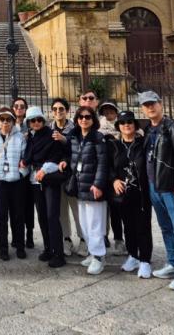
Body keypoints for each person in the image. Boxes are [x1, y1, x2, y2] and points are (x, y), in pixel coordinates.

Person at [139, 90, 174, 291]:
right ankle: (173, 263)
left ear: (160, 104)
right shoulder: (149, 130)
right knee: (165, 227)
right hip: (154, 186)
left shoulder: (173, 129)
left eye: (153, 103)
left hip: (171, 187)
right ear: (142, 109)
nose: (150, 107)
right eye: (146, 105)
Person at [21, 105, 69, 268]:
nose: (36, 122)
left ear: (43, 120)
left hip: (49, 178)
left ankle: (58, 253)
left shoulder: (51, 135)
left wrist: (44, 169)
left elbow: (57, 155)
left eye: (38, 119)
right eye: (32, 120)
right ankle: (48, 248)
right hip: (35, 180)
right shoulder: (31, 137)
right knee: (42, 216)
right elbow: (28, 158)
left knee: (52, 216)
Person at [111, 110, 153, 279]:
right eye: (122, 122)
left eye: (129, 122)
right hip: (123, 194)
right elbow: (109, 167)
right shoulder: (115, 145)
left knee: (143, 227)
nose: (126, 125)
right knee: (128, 227)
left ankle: (145, 260)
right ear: (118, 126)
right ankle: (133, 256)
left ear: (135, 125)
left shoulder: (143, 143)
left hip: (141, 193)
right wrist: (114, 180)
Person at [68, 106, 109, 275]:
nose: (84, 120)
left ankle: (99, 257)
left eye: (88, 117)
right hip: (80, 186)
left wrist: (98, 184)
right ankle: (93, 252)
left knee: (95, 224)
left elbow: (103, 163)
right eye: (81, 117)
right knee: (84, 224)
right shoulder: (75, 137)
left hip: (93, 187)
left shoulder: (98, 138)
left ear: (93, 120)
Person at [0, 107, 28, 261]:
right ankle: (3, 248)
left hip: (16, 181)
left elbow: (25, 159)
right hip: (0, 181)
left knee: (18, 215)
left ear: (13, 121)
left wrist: (21, 173)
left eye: (8, 119)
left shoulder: (20, 137)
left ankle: (20, 246)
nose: (5, 122)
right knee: (1, 216)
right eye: (2, 119)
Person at [50, 97, 83, 256]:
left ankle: (83, 239)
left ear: (67, 111)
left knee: (77, 209)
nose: (58, 112)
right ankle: (66, 239)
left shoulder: (76, 129)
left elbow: (79, 150)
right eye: (55, 109)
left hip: (72, 175)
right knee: (62, 209)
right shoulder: (49, 129)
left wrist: (65, 140)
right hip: (56, 176)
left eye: (61, 109)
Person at [98, 100, 126, 256]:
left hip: (121, 174)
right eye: (106, 111)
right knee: (104, 210)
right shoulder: (99, 129)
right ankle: (105, 237)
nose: (109, 113)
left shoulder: (124, 126)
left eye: (111, 110)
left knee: (118, 210)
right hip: (105, 174)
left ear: (116, 112)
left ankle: (120, 239)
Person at [12, 96, 36, 250]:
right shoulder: (9, 123)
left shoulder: (32, 125)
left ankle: (29, 235)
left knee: (28, 205)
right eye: (16, 106)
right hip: (13, 171)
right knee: (14, 206)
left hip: (28, 171)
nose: (19, 109)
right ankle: (16, 236)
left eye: (22, 106)